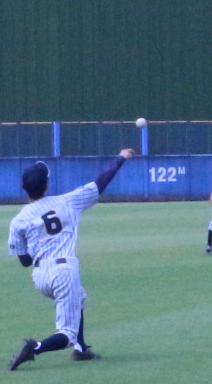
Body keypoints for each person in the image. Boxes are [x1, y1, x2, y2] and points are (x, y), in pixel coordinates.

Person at [9, 147, 135, 367]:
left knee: (79, 297)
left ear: (23, 187)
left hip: (40, 277)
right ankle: (34, 348)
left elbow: (24, 261)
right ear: (47, 186)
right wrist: (121, 158)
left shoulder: (18, 221)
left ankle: (82, 350)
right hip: (64, 273)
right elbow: (101, 183)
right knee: (67, 333)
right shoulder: (66, 201)